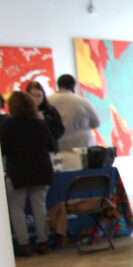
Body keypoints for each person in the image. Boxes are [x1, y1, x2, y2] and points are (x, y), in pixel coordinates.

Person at [2, 90, 57, 256]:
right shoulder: (39, 124)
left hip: (17, 171)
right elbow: (52, 146)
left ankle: (23, 244)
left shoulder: (7, 124)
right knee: (39, 207)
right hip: (41, 169)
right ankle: (43, 242)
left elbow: (4, 149)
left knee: (17, 208)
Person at [48, 74, 101, 152]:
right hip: (81, 146)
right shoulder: (82, 101)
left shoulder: (48, 101)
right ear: (73, 86)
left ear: (58, 85)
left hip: (58, 146)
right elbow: (96, 123)